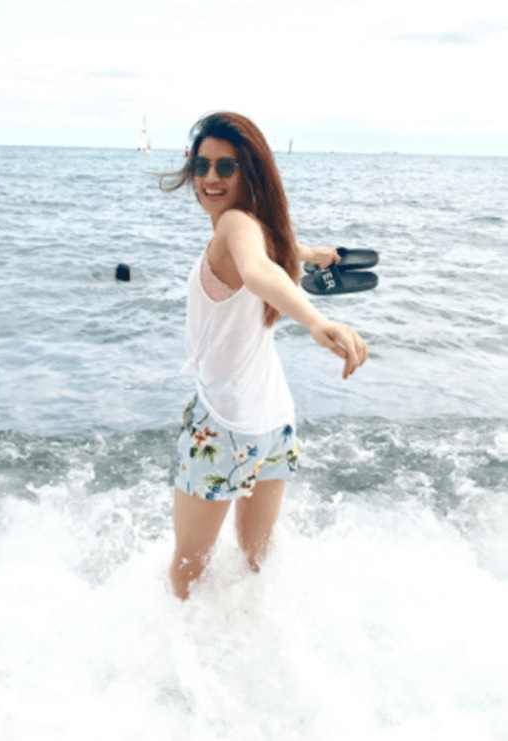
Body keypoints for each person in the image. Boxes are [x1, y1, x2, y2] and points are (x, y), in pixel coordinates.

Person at [160, 112, 369, 600]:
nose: (210, 178)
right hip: (274, 424)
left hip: (223, 424)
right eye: (202, 165)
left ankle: (179, 644)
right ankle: (256, 636)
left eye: (226, 166)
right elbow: (266, 256)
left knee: (187, 571)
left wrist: (315, 321)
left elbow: (255, 269)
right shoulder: (260, 230)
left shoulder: (235, 225)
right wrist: (311, 253)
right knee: (258, 562)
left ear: (249, 171)